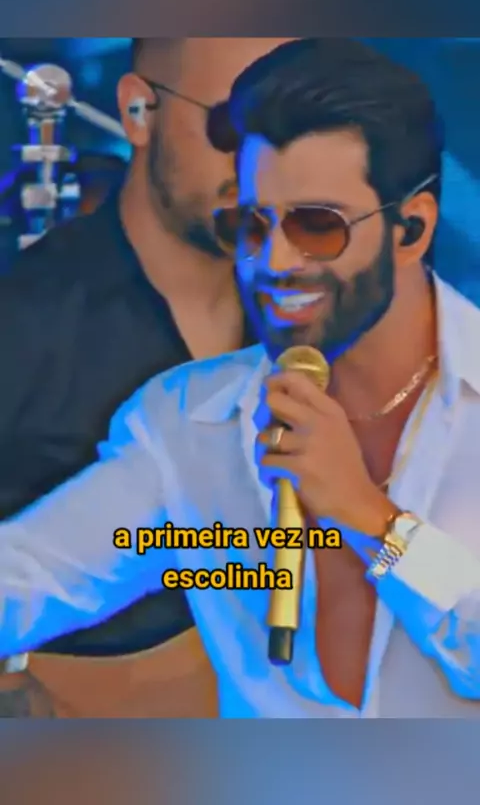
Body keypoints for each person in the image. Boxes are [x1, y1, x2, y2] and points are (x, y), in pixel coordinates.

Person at [1, 37, 479, 718]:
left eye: (317, 226)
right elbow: (28, 576)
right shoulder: (192, 420)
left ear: (411, 230)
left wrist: (369, 520)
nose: (273, 262)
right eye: (252, 226)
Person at [0, 37, 291, 717]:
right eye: (233, 126)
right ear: (137, 111)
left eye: (293, 130)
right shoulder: (26, 318)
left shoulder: (330, 316)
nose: (264, 165)